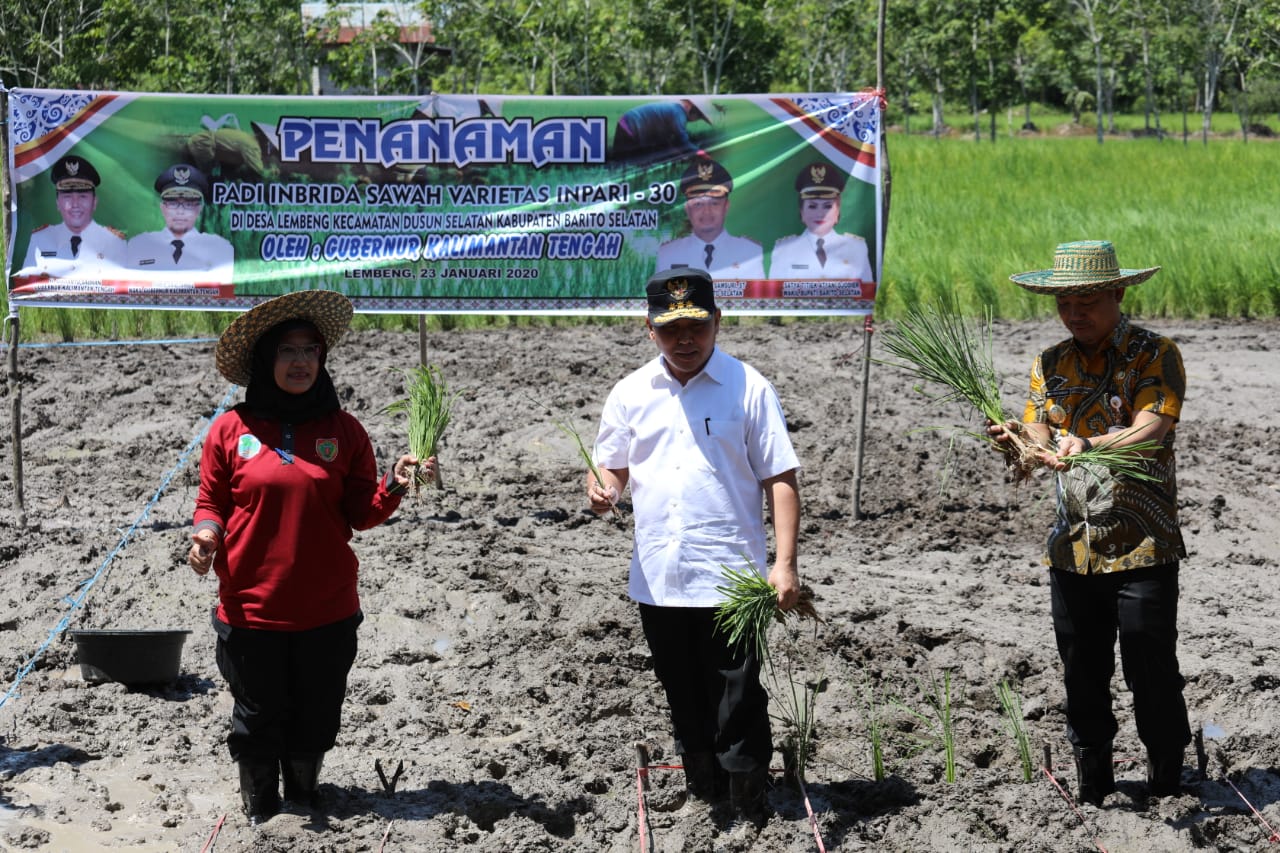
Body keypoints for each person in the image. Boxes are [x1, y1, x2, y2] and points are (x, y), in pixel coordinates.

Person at [187, 289, 432, 826]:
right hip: (251, 608)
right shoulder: (231, 429)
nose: (300, 362)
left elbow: (362, 512)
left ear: (321, 360)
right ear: (265, 359)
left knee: (317, 715)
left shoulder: (344, 432)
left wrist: (394, 482)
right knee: (255, 717)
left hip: (327, 608)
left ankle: (302, 798)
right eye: (286, 351)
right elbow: (212, 502)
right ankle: (260, 809)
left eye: (309, 351)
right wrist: (206, 535)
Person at [586, 268, 801, 825]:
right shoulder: (631, 393)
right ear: (649, 329)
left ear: (718, 323)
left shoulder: (748, 387)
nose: (685, 339)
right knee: (681, 690)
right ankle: (703, 791)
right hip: (660, 577)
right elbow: (612, 468)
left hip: (732, 579)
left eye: (696, 326)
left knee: (738, 695)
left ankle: (747, 802)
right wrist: (604, 491)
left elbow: (780, 478)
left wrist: (784, 564)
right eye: (671, 328)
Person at [990, 240, 1191, 807]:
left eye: (1087, 300)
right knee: (1082, 670)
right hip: (1072, 547)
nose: (1074, 312)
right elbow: (1039, 437)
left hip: (1143, 545)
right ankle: (1092, 785)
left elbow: (1151, 426)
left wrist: (1088, 443)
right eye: (1064, 302)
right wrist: (1019, 445)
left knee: (1151, 666)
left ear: (1118, 294)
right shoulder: (1048, 365)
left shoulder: (1156, 354)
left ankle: (1168, 782)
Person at [656, 157, 764, 282]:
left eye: (714, 203)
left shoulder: (750, 252)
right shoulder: (668, 254)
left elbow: (758, 300)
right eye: (698, 204)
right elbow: (661, 300)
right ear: (687, 209)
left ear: (726, 206)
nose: (706, 211)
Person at [20, 154, 127, 277]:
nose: (75, 204)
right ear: (57, 203)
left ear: (94, 202)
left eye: (83, 196)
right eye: (67, 197)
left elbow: (123, 288)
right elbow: (26, 288)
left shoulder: (114, 242)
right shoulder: (39, 239)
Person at [767, 161, 873, 282]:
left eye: (828, 206)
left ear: (838, 210)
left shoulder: (856, 247)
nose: (820, 213)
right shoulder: (784, 249)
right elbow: (775, 297)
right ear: (801, 211)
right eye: (812, 206)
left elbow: (867, 295)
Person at [127, 163, 234, 280]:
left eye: (189, 203)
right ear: (163, 207)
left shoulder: (219, 248)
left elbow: (223, 291)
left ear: (199, 209)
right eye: (173, 202)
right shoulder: (139, 245)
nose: (180, 211)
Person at [611, 98, 720, 165]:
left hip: (626, 123)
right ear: (690, 107)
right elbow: (682, 140)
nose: (697, 118)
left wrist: (679, 154)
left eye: (700, 116)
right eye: (698, 115)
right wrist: (700, 153)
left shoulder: (673, 112)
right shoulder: (678, 113)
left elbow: (667, 142)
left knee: (621, 162)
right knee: (636, 162)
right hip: (632, 125)